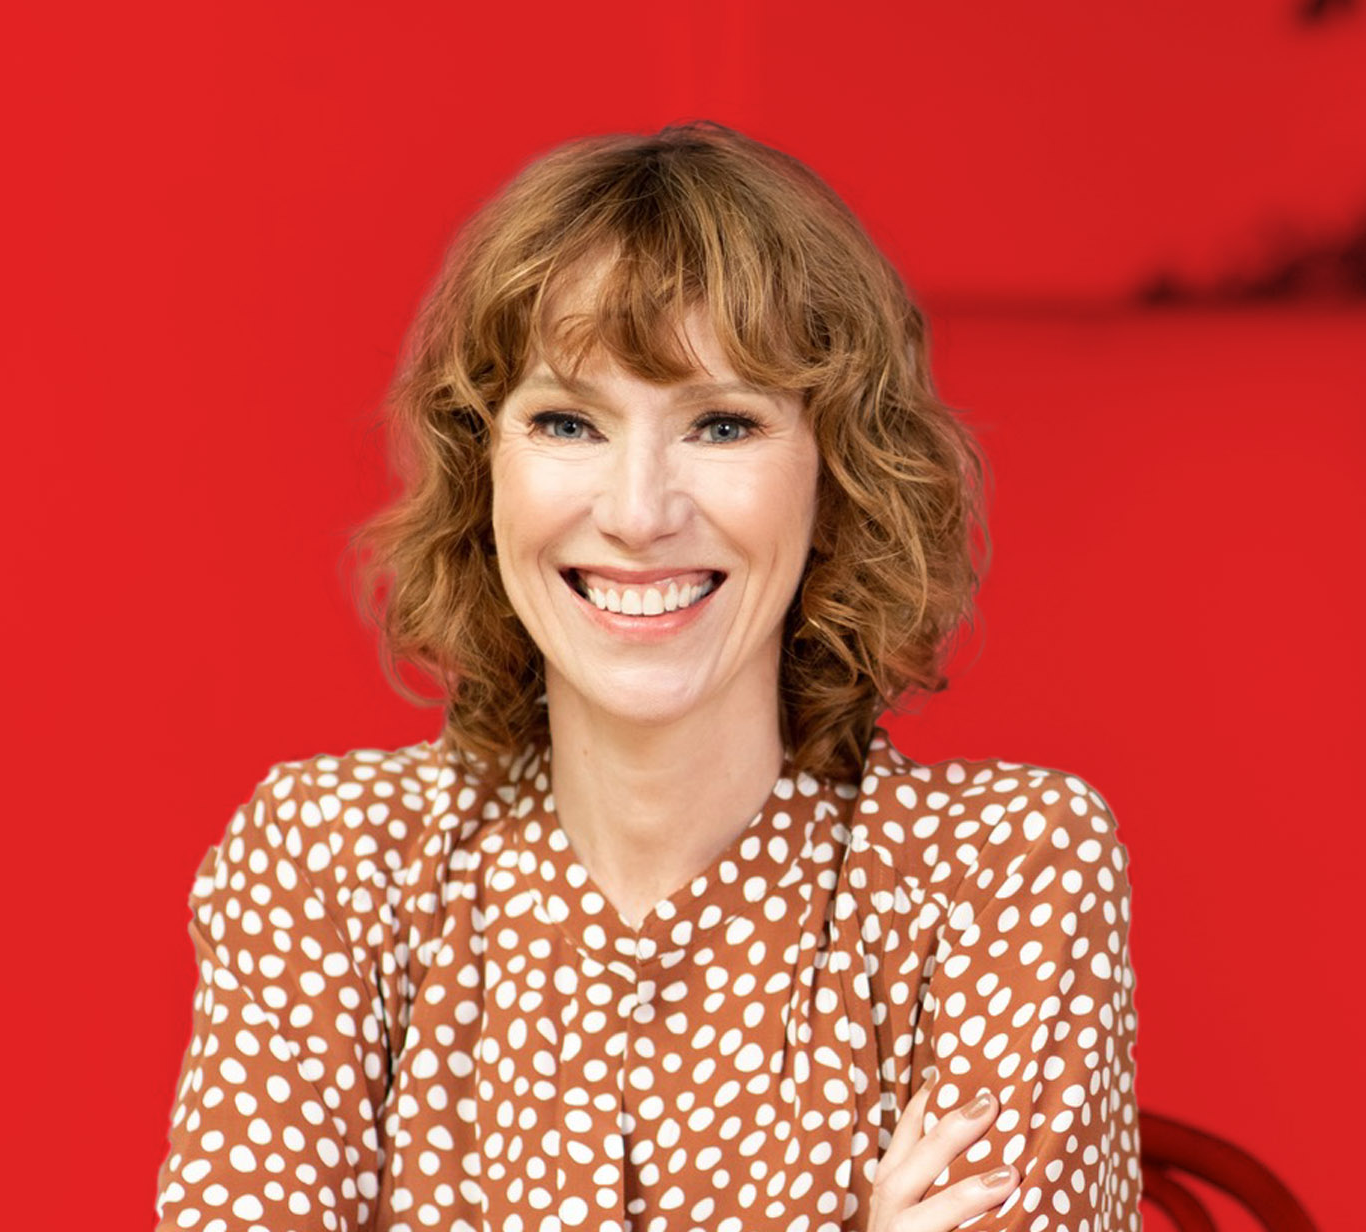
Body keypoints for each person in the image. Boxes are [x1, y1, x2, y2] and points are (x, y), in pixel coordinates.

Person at [155, 122, 1139, 1232]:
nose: (637, 512)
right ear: (486, 471)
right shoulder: (331, 863)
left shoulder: (1002, 870)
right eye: (567, 421)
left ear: (837, 475)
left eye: (722, 423)